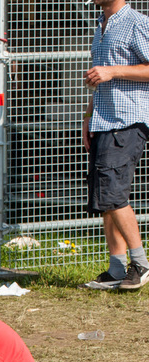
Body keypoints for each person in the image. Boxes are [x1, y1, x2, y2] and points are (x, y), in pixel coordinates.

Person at [82, 0, 149, 291]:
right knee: (104, 197)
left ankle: (141, 264)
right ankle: (116, 269)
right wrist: (88, 117)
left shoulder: (137, 22)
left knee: (113, 193)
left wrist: (113, 71)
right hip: (103, 121)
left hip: (128, 120)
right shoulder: (100, 24)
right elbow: (101, 78)